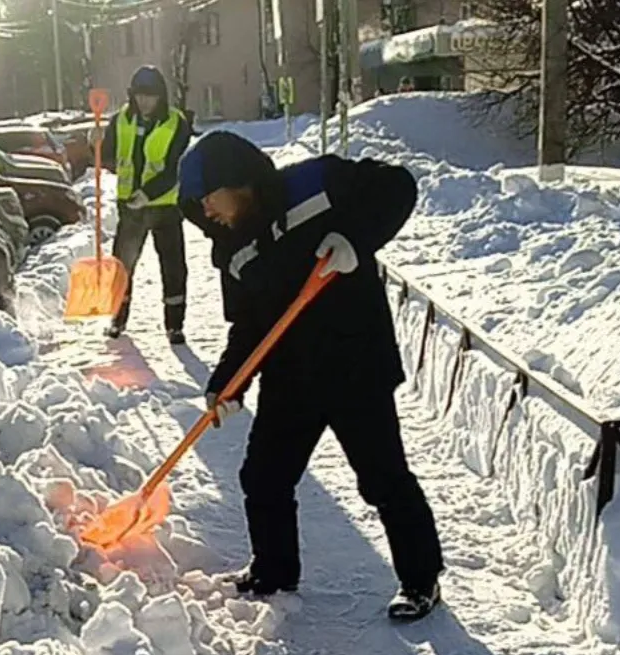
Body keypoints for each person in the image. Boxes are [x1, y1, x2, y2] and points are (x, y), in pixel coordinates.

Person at [176, 131, 445, 621]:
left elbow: (397, 186)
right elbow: (249, 326)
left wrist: (355, 239)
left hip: (355, 364)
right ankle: (274, 571)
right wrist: (228, 382)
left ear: (234, 182)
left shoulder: (314, 184)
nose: (206, 213)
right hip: (290, 376)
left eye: (207, 199)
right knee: (264, 476)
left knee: (383, 478)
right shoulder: (232, 250)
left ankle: (420, 579)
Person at [91, 65, 194, 344]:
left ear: (161, 96)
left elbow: (176, 167)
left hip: (165, 207)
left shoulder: (176, 123)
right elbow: (110, 159)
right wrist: (97, 147)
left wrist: (148, 193)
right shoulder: (120, 120)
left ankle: (175, 325)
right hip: (131, 209)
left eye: (150, 96)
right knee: (123, 265)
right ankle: (117, 318)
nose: (144, 101)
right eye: (139, 95)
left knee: (173, 267)